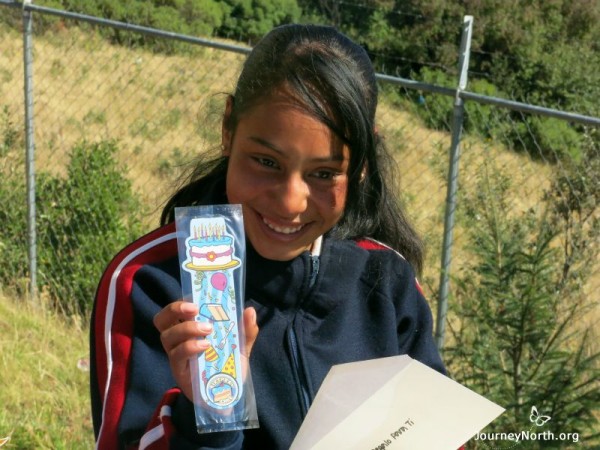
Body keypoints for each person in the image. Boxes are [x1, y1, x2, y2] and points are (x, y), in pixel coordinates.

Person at [90, 23, 445, 450]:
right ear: (228, 129)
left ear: (361, 164)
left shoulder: (387, 281)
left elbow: (438, 434)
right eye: (266, 161)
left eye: (324, 173)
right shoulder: (150, 283)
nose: (291, 202)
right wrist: (211, 413)